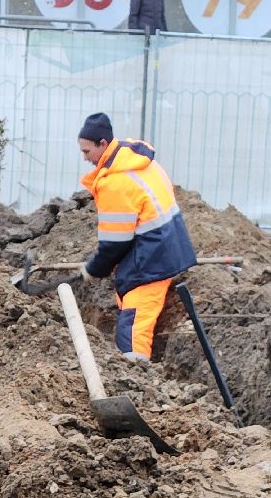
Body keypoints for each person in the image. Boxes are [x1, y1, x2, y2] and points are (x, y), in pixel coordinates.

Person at [76, 112, 196, 361]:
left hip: (152, 261)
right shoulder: (139, 161)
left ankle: (136, 384)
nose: (85, 158)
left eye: (87, 152)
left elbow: (114, 243)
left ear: (103, 144)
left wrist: (94, 268)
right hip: (161, 247)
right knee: (128, 309)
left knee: (133, 329)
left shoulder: (116, 182)